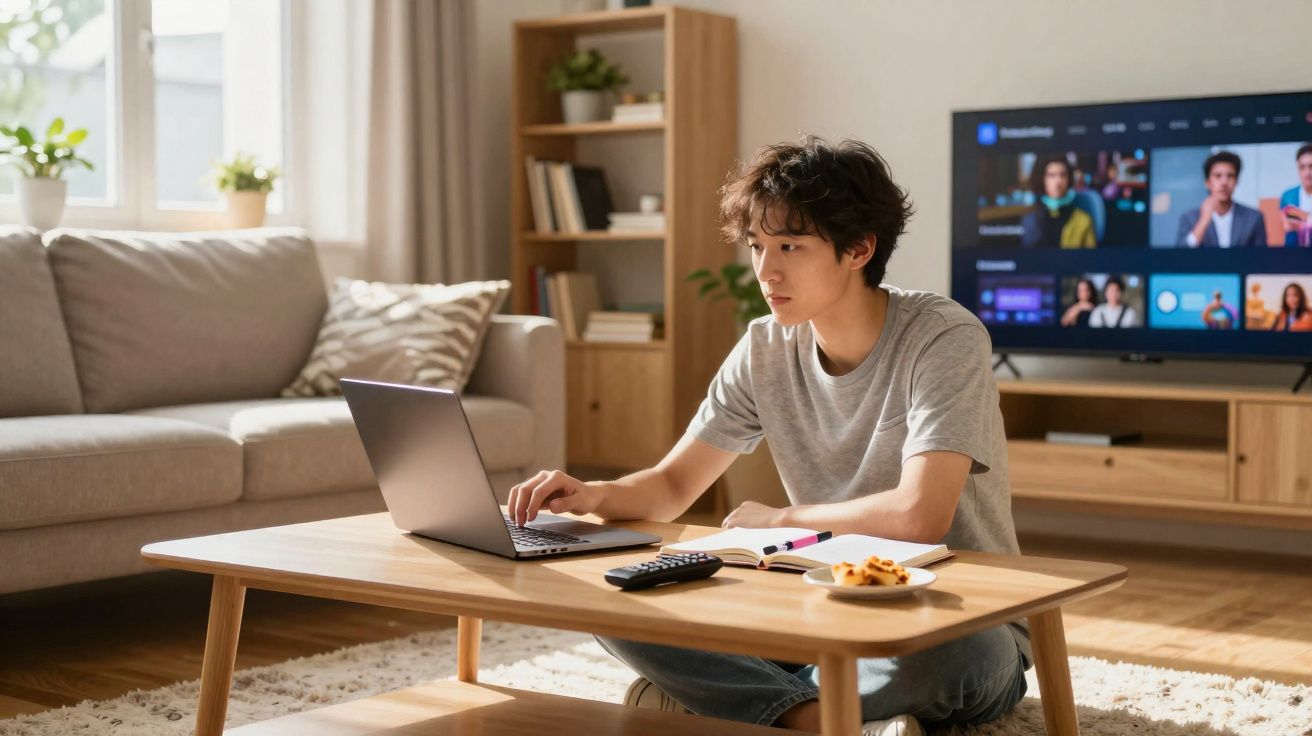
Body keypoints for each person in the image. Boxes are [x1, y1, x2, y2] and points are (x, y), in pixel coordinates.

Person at [507, 136, 1030, 736]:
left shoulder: (943, 338)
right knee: (609, 594)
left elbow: (919, 517)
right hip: (809, 613)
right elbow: (675, 483)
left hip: (948, 613)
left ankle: (738, 703)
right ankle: (818, 718)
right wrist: (594, 495)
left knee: (951, 649)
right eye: (756, 245)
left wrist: (781, 522)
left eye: (790, 246)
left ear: (859, 249)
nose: (764, 269)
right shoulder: (765, 346)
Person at [1176, 151, 1266, 247]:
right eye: (1218, 176)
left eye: (1230, 176)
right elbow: (1179, 256)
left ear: (1236, 181)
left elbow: (1261, 259)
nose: (1224, 182)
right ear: (1207, 183)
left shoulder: (1253, 218)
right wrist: (1203, 221)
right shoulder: (1189, 218)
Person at [1020, 155, 1096, 248]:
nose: (1058, 181)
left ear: (1069, 179)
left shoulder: (1083, 220)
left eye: (1063, 175)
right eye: (1051, 175)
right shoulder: (1030, 220)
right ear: (1042, 179)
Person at [1279, 143, 1312, 247]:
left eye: (1311, 166)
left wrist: (1303, 218)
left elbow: (1296, 223)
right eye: (1302, 167)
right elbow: (1288, 226)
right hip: (1295, 253)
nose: (1307, 172)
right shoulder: (1288, 196)